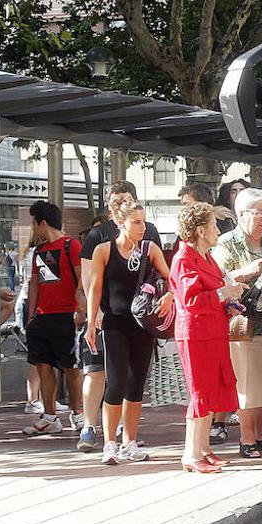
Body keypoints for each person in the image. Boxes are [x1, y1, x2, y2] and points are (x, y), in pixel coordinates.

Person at [85, 195, 173, 464]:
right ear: (120, 223)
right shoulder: (104, 250)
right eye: (136, 222)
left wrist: (168, 296)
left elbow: (171, 279)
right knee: (116, 382)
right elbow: (95, 289)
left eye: (143, 222)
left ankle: (130, 442)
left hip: (143, 324)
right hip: (114, 323)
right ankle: (109, 443)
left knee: (136, 385)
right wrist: (91, 321)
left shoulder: (150, 249)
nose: (142, 227)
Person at [170, 202, 246, 473]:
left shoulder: (206, 257)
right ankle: (191, 453)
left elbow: (214, 292)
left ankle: (202, 449)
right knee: (200, 392)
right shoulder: (183, 259)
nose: (217, 230)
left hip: (212, 331)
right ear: (201, 230)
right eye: (214, 225)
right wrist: (225, 294)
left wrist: (230, 302)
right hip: (195, 335)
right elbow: (191, 300)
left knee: (211, 389)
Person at [213, 188, 262, 459]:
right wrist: (247, 272)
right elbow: (219, 281)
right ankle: (246, 437)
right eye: (259, 213)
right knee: (246, 380)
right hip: (241, 322)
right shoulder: (227, 243)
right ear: (241, 214)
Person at [23, 200, 86, 436]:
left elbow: (82, 280)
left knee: (71, 368)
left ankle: (78, 414)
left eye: (34, 223)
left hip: (67, 316)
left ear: (43, 222)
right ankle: (50, 416)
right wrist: (31, 317)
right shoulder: (39, 251)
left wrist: (80, 311)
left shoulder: (72, 245)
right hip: (42, 317)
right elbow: (35, 284)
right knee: (43, 366)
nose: (33, 229)